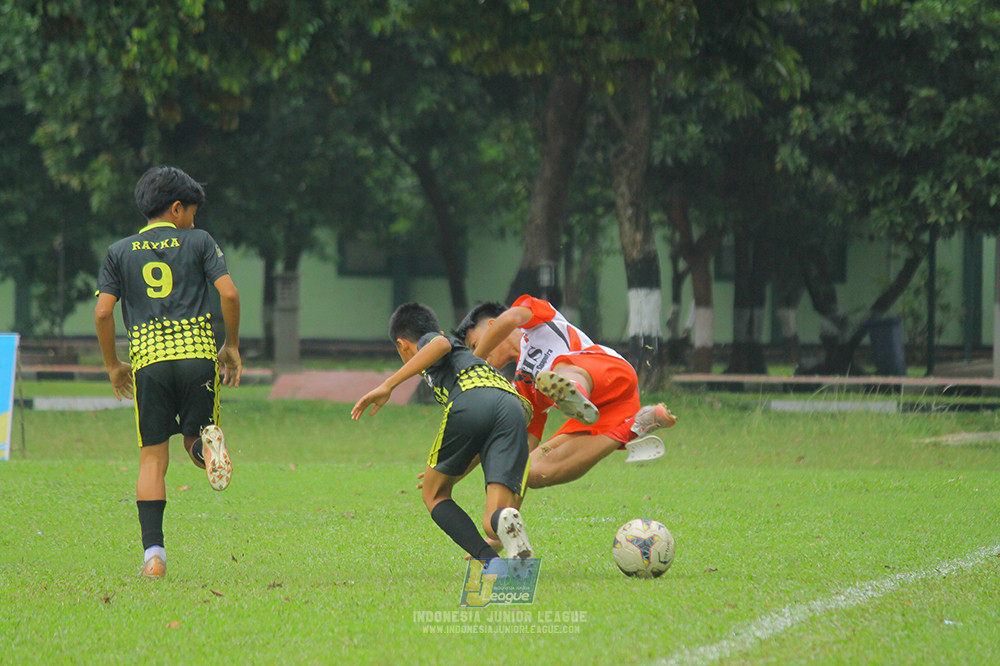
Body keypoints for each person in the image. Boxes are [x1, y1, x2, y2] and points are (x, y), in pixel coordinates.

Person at [94, 166, 242, 580]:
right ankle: (206, 449)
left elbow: (103, 312)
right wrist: (230, 345)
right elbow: (229, 293)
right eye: (192, 212)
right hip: (197, 357)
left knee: (153, 459)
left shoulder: (118, 251)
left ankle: (154, 557)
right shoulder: (200, 241)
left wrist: (113, 365)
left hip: (149, 363)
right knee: (195, 438)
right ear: (177, 208)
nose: (194, 221)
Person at [351, 302, 534, 564]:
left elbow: (440, 345)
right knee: (494, 522)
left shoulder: (431, 340)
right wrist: (451, 470)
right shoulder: (459, 359)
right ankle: (506, 526)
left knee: (434, 494)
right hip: (512, 404)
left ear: (402, 345)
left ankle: (490, 562)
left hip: (472, 397)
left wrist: (388, 385)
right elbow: (479, 441)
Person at [455, 295, 676, 491]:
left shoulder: (536, 318)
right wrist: (503, 508)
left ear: (492, 326)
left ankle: (574, 388)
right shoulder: (522, 387)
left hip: (611, 374)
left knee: (560, 368)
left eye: (475, 344)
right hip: (603, 413)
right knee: (529, 471)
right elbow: (525, 443)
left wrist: (473, 362)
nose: (478, 352)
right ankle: (636, 425)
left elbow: (509, 319)